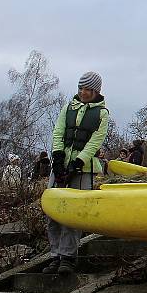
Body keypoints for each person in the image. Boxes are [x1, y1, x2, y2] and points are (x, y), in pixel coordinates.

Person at [45, 71, 109, 275]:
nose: (83, 93)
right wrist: (57, 157)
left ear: (96, 90)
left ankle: (68, 256)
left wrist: (79, 161)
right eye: (81, 89)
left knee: (73, 213)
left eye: (87, 89)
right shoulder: (68, 108)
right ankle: (55, 254)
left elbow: (96, 140)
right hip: (60, 165)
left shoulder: (102, 113)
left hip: (84, 169)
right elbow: (58, 131)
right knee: (52, 212)